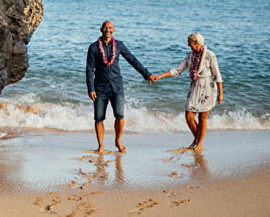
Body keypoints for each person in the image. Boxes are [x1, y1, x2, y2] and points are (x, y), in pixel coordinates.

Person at [86, 20, 157, 153]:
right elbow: (89, 69)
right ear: (101, 30)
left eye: (110, 27)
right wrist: (90, 88)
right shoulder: (93, 47)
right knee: (99, 118)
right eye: (105, 27)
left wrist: (146, 74)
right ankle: (101, 146)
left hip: (117, 87)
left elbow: (133, 60)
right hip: (99, 88)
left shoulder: (119, 45)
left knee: (119, 116)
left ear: (114, 30)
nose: (108, 29)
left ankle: (117, 141)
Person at [155, 32, 224, 153]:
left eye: (189, 42)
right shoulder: (190, 56)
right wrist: (160, 76)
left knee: (203, 117)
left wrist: (221, 93)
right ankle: (197, 140)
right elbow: (177, 70)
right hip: (195, 87)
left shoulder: (209, 55)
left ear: (196, 42)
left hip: (208, 87)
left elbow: (217, 74)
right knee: (189, 117)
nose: (188, 44)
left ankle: (199, 143)